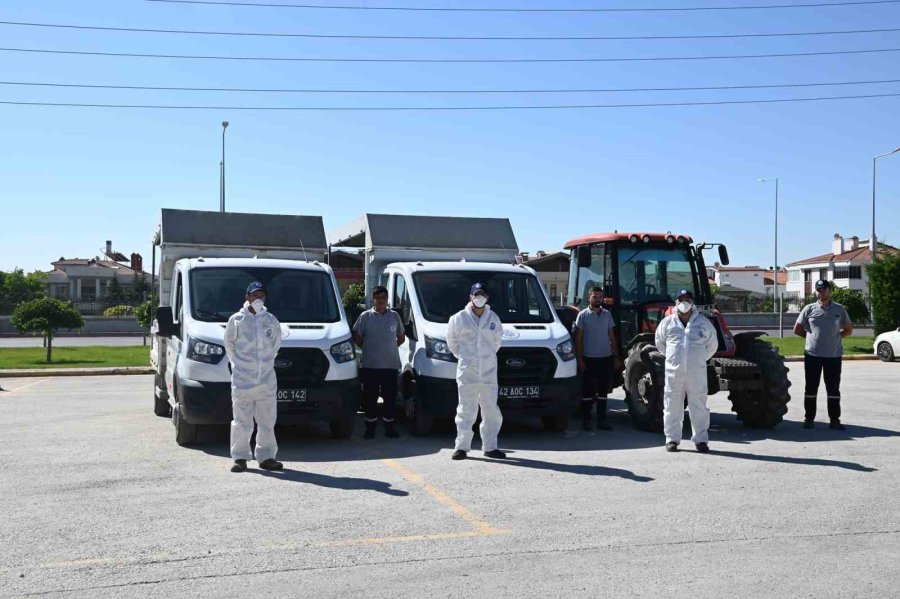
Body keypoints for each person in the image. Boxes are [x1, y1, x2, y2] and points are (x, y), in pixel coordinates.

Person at [224, 281, 283, 473]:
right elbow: (230, 346)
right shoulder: (236, 320)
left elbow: (275, 347)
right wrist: (241, 367)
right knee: (241, 420)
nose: (259, 299)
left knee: (267, 421)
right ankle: (240, 457)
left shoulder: (271, 320)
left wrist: (263, 366)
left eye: (262, 296)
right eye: (255, 295)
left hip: (266, 380)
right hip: (243, 380)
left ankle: (266, 457)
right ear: (247, 297)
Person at [447, 282, 505, 461]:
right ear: (470, 297)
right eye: (476, 294)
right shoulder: (458, 318)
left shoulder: (493, 318)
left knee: (490, 409)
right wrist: (468, 357)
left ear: (487, 297)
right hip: (468, 371)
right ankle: (462, 447)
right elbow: (452, 343)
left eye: (482, 294)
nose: (479, 298)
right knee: (466, 409)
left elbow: (497, 342)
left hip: (488, 371)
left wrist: (484, 358)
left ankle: (490, 446)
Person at [655, 289, 719, 453]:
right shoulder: (667, 323)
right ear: (675, 302)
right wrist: (673, 358)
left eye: (687, 299)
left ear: (692, 302)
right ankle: (672, 439)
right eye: (680, 299)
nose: (684, 302)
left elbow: (712, 346)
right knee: (672, 404)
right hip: (673, 372)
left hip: (696, 372)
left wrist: (697, 360)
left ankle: (701, 440)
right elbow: (660, 343)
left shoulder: (703, 323)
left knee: (698, 405)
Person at [793, 279, 853, 430]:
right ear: (816, 292)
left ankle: (834, 420)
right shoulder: (809, 309)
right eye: (819, 290)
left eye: (824, 289)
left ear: (829, 291)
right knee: (811, 388)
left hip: (833, 356)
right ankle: (809, 419)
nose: (822, 292)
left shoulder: (839, 309)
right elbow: (797, 329)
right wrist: (811, 339)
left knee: (833, 389)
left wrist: (836, 338)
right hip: (813, 355)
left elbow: (848, 329)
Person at [352, 285, 406, 439]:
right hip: (370, 366)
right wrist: (370, 348)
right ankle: (370, 429)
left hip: (390, 366)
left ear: (387, 299)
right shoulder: (365, 317)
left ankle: (390, 428)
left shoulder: (394, 316)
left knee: (390, 399)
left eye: (384, 298)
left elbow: (401, 338)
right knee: (370, 399)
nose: (381, 300)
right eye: (378, 298)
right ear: (373, 299)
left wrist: (388, 348)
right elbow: (357, 337)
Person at [574, 287, 619, 431]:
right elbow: (579, 339)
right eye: (595, 296)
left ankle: (601, 421)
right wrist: (580, 359)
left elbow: (611, 336)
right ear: (589, 298)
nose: (598, 299)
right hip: (588, 359)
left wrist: (616, 356)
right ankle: (586, 420)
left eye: (600, 297)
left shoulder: (607, 315)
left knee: (602, 392)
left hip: (605, 359)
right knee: (587, 392)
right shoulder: (582, 315)